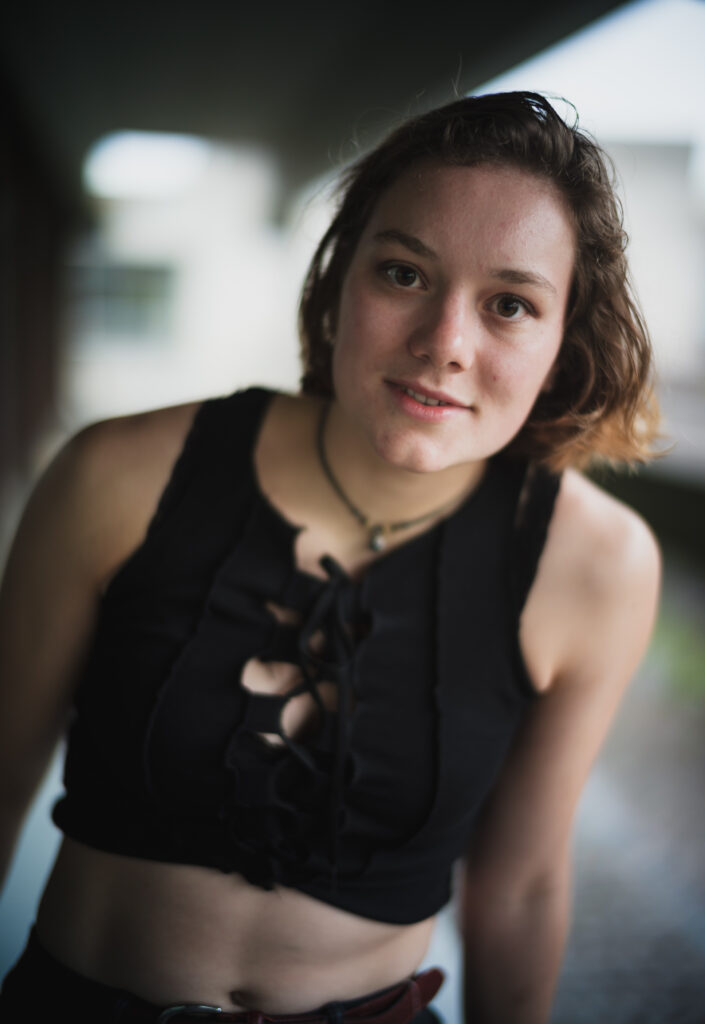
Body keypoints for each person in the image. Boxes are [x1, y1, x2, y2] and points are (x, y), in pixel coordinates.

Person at [0, 91, 661, 1024]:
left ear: (564, 344)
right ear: (339, 276)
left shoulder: (597, 565)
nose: (445, 344)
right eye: (403, 274)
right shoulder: (116, 475)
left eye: (511, 304)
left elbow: (519, 889)